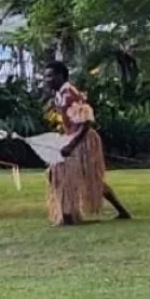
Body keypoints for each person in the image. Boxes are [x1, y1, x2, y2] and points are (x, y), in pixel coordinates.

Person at [43, 61, 132, 225]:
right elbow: (71, 121)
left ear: (61, 76)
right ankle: (120, 211)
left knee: (61, 172)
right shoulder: (60, 94)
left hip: (82, 140)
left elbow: (86, 122)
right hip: (73, 138)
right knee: (89, 178)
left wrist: (71, 145)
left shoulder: (70, 94)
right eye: (45, 76)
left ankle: (69, 215)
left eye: (50, 76)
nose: (46, 80)